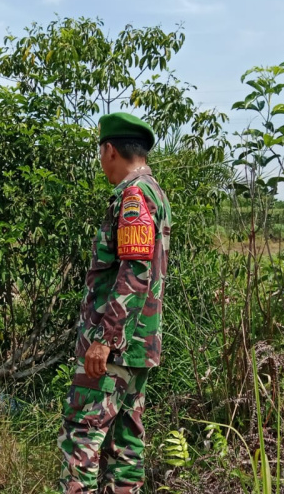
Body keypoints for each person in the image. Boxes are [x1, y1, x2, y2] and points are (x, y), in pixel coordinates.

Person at [58, 112, 172, 493]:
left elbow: (135, 271)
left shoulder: (134, 195)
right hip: (138, 347)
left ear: (110, 150)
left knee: (81, 439)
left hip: (114, 350)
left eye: (100, 152)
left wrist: (105, 340)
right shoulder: (155, 192)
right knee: (125, 447)